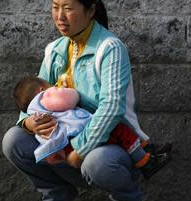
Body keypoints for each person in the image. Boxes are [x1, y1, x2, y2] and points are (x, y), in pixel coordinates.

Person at [3, 0, 158, 201]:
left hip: (112, 144)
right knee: (14, 140)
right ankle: (59, 198)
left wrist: (82, 149)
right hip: (65, 145)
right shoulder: (53, 50)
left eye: (68, 9)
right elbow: (34, 101)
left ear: (90, 10)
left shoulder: (110, 48)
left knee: (98, 162)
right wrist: (29, 123)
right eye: (55, 8)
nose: (60, 17)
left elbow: (112, 107)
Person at [13, 76, 171, 177]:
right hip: (77, 135)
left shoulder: (34, 110)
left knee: (120, 134)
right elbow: (70, 98)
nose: (54, 86)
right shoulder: (46, 96)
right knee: (120, 131)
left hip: (66, 142)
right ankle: (145, 162)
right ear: (42, 90)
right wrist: (65, 88)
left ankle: (147, 149)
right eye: (51, 85)